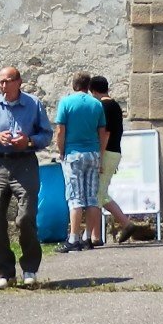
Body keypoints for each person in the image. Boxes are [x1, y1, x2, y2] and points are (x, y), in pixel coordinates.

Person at [0, 66, 51, 287]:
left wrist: (27, 141)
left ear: (19, 82)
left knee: (26, 218)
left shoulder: (33, 104)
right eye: (0, 82)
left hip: (25, 164)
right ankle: (4, 273)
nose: (3, 86)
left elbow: (46, 135)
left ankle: (30, 269)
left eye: (7, 81)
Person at [53, 73, 107, 251]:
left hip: (73, 153)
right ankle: (87, 237)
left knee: (75, 197)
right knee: (92, 198)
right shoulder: (96, 104)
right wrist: (100, 154)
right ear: (88, 85)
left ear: (74, 85)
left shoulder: (66, 103)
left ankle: (73, 238)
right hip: (93, 153)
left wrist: (61, 151)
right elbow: (102, 131)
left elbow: (61, 130)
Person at [89, 75, 129, 243]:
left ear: (93, 91)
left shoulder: (103, 106)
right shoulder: (115, 105)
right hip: (114, 151)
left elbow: (105, 133)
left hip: (107, 152)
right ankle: (95, 235)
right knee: (100, 192)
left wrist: (100, 156)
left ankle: (123, 224)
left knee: (98, 193)